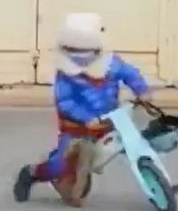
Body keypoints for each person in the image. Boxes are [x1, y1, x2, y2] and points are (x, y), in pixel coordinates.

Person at [12, 12, 152, 207]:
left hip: (110, 120)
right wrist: (85, 118)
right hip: (76, 128)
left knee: (142, 139)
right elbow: (65, 101)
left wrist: (142, 90)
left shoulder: (111, 64)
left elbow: (130, 73)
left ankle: (156, 178)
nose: (80, 58)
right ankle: (32, 172)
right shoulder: (65, 74)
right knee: (60, 165)